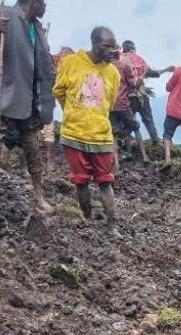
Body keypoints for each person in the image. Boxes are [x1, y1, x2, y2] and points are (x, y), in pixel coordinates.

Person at [0, 0, 54, 213]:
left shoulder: (36, 28)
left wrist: (45, 101)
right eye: (43, 1)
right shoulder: (1, 13)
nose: (46, 5)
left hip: (25, 99)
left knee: (32, 148)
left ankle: (38, 196)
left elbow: (43, 66)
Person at [53, 27, 121, 236]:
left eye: (113, 47)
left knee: (105, 181)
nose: (110, 51)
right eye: (106, 47)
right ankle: (88, 219)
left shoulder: (113, 73)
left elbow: (109, 104)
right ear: (94, 43)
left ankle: (112, 225)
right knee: (81, 181)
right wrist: (73, 113)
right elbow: (60, 92)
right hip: (74, 135)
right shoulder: (71, 63)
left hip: (101, 136)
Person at [121, 40, 173, 144]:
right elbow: (154, 73)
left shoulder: (120, 61)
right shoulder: (140, 59)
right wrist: (166, 69)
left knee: (128, 121)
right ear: (133, 49)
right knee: (148, 119)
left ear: (123, 49)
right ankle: (155, 140)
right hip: (142, 96)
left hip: (127, 97)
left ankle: (124, 140)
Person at [110, 48, 149, 166]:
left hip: (110, 106)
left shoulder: (103, 67)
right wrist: (141, 78)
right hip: (123, 104)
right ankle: (145, 156)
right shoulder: (123, 65)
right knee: (135, 127)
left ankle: (116, 165)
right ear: (117, 53)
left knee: (114, 134)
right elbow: (132, 83)